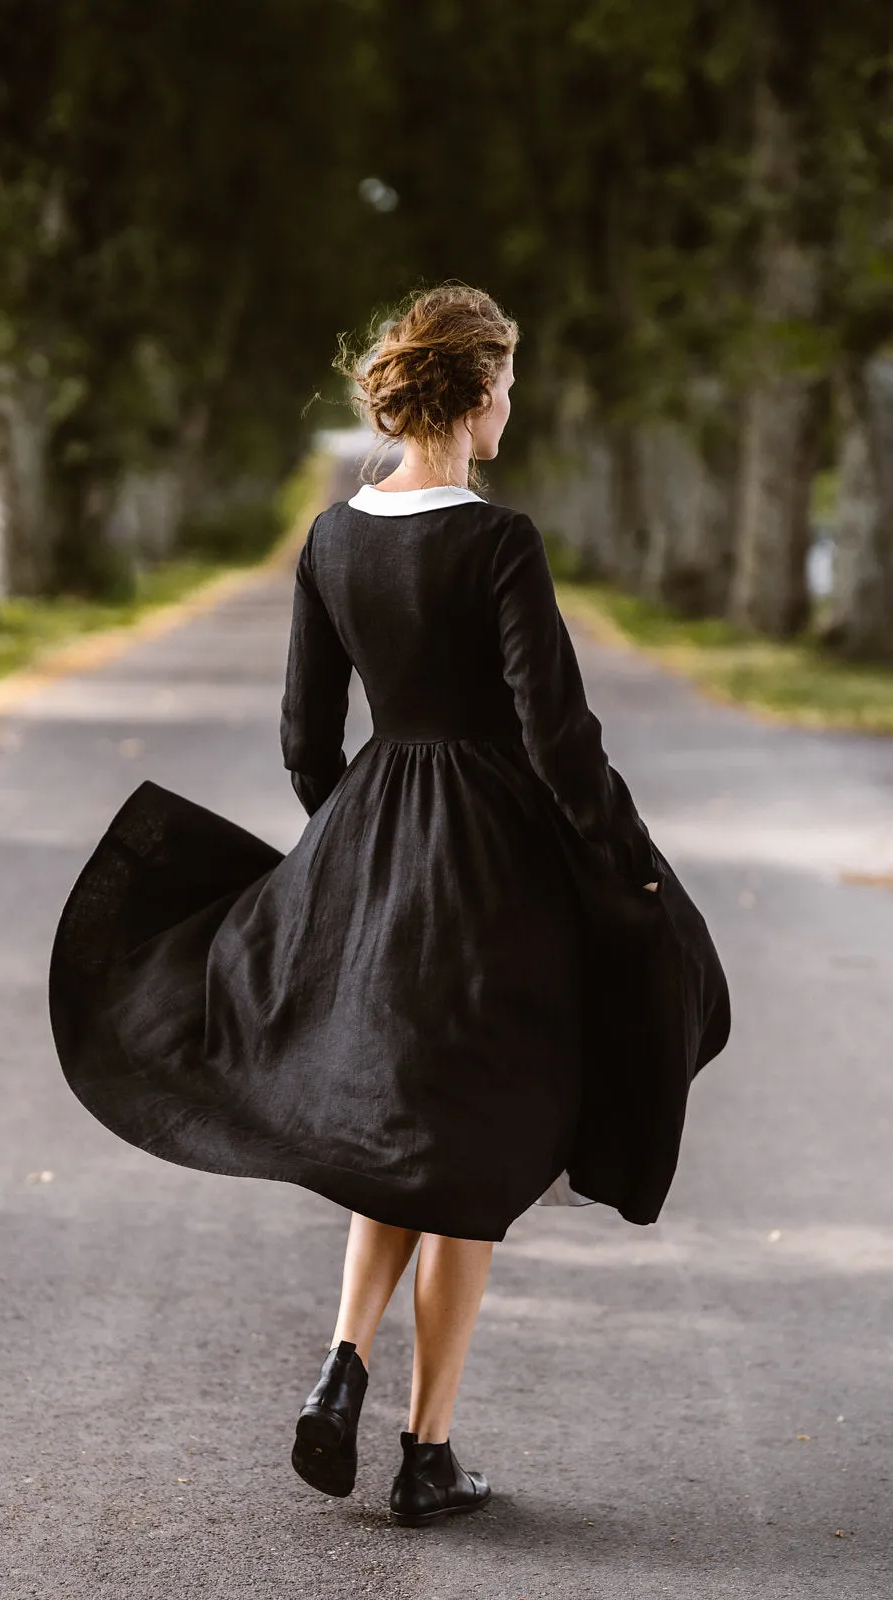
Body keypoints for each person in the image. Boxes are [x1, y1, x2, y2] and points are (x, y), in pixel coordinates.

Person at [49, 283, 730, 1529]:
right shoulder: (496, 539)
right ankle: (427, 1451)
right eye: (507, 384)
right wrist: (627, 865)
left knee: (398, 1127)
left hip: (372, 838)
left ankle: (340, 1359)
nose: (511, 405)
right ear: (473, 394)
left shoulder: (329, 539)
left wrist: (348, 853)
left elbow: (305, 736)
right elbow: (558, 737)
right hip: (491, 869)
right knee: (475, 1149)